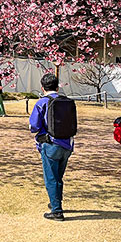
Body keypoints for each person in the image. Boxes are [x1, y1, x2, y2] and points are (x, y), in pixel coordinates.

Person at [29, 73, 75, 221]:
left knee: (51, 177)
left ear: (42, 88)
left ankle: (56, 210)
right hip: (67, 144)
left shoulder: (42, 103)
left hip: (50, 145)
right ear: (57, 87)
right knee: (58, 177)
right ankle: (56, 202)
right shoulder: (67, 102)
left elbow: (34, 126)